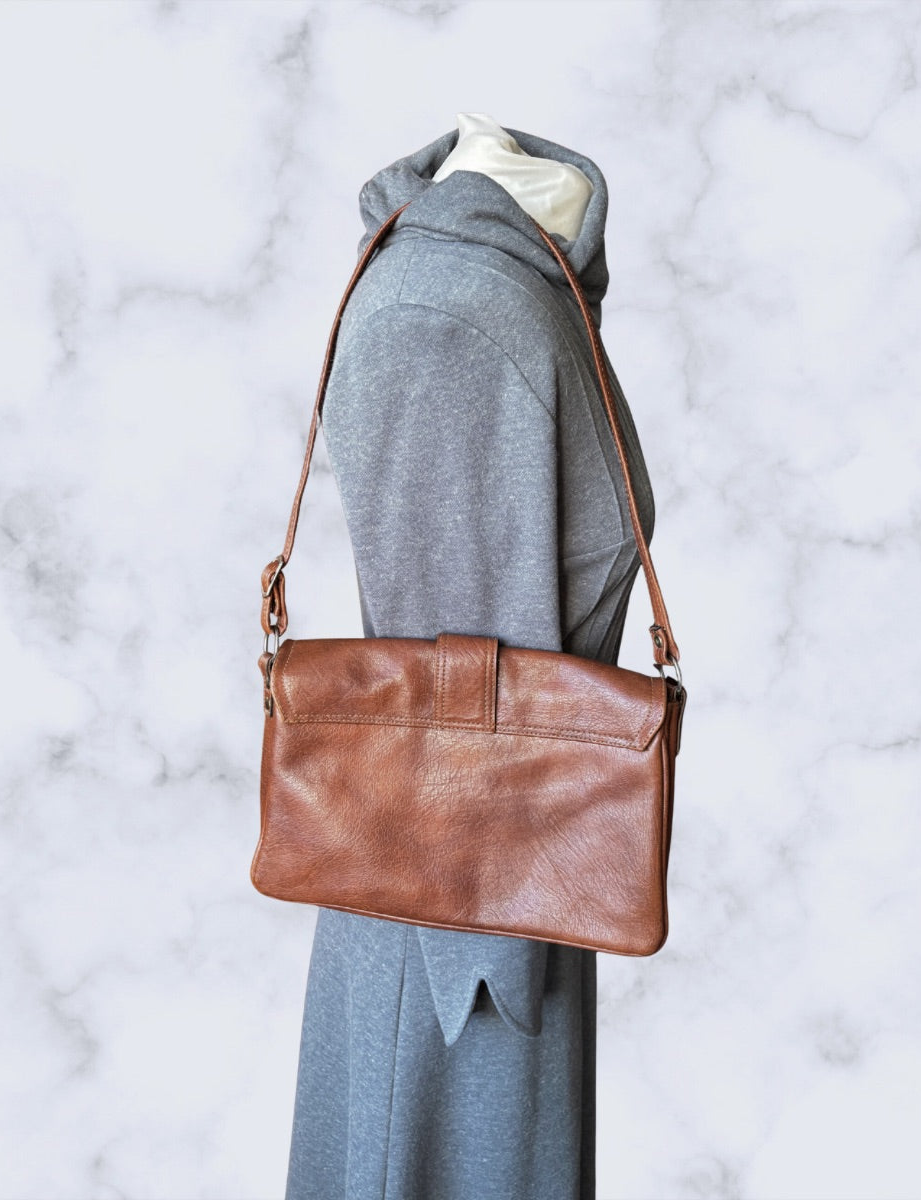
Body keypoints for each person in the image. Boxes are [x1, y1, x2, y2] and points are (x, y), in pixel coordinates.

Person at [284, 113, 657, 1200]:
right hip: (462, 929)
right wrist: (485, 967)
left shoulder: (521, 286)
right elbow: (448, 676)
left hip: (510, 889)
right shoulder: (450, 312)